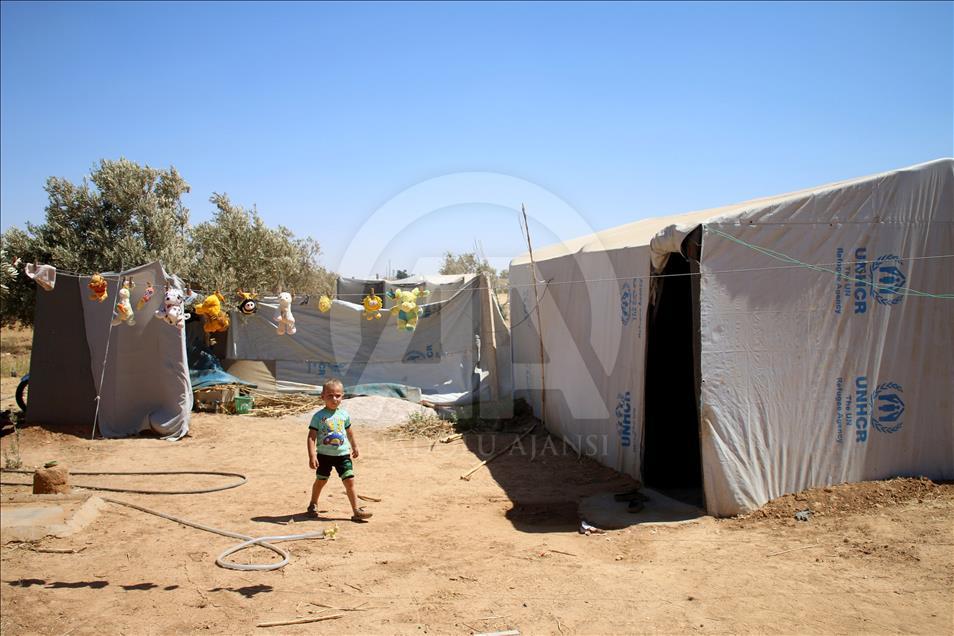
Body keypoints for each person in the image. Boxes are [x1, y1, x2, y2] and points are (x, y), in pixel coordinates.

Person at [306, 378, 373, 522]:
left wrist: (354, 446)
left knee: (349, 481)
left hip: (343, 455)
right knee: (321, 480)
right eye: (330, 395)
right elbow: (311, 437)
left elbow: (349, 432)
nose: (334, 399)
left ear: (342, 396)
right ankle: (313, 504)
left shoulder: (344, 415)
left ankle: (356, 511)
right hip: (324, 455)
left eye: (337, 395)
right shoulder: (318, 417)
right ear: (322, 397)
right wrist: (312, 456)